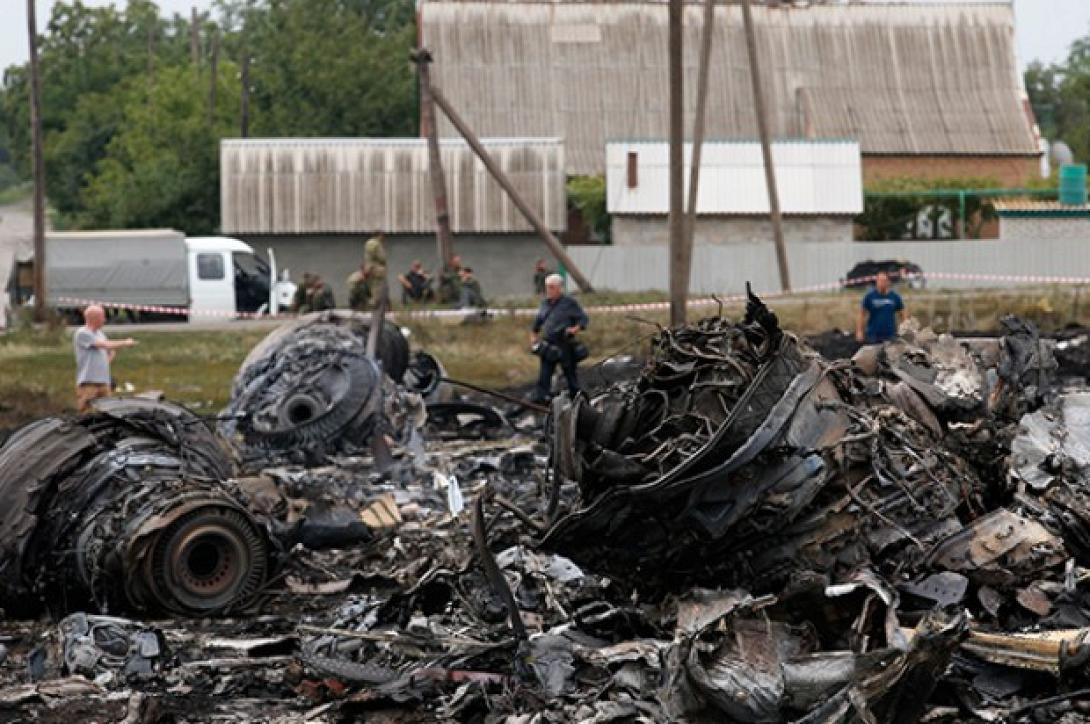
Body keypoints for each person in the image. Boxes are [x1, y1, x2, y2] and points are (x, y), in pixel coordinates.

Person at [530, 274, 589, 402]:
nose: (548, 290)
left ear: (559, 288)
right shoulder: (544, 304)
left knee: (569, 373)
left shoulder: (569, 303)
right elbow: (538, 322)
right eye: (547, 287)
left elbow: (583, 319)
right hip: (548, 344)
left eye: (551, 287)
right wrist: (534, 336)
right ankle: (542, 399)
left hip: (564, 343)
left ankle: (577, 397)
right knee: (544, 374)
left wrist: (575, 329)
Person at [73, 305, 136, 413]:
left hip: (103, 381)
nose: (104, 320)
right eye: (102, 317)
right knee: (86, 411)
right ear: (94, 318)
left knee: (108, 411)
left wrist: (108, 358)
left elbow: (109, 350)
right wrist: (124, 343)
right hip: (88, 382)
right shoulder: (83, 333)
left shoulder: (100, 334)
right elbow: (104, 345)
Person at [856, 270, 905, 344]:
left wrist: (905, 331)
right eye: (880, 281)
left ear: (888, 282)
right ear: (876, 282)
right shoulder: (869, 297)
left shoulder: (895, 297)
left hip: (890, 335)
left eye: (884, 281)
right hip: (873, 335)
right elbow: (861, 314)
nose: (882, 283)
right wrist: (859, 331)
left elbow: (903, 314)